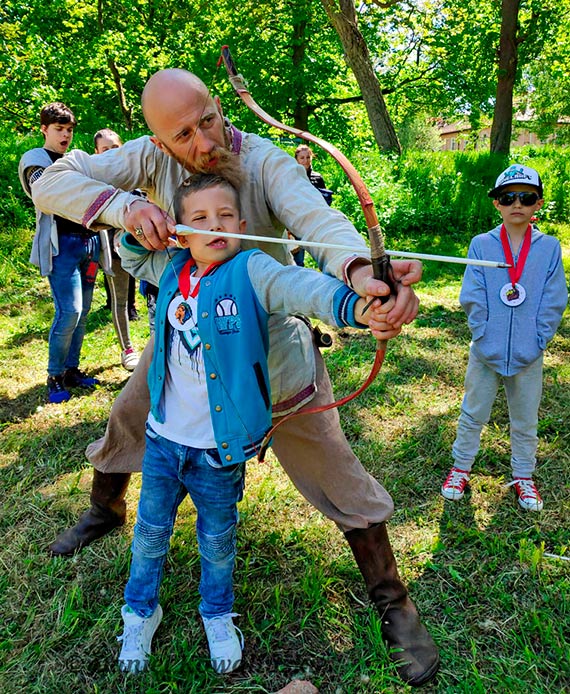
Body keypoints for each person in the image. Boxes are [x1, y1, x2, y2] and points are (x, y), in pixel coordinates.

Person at [33, 68, 438, 686]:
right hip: (188, 342)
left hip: (270, 354)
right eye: (184, 135)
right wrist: (126, 206)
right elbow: (51, 183)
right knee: (128, 415)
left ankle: (392, 600)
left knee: (333, 466)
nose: (203, 141)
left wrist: (359, 275)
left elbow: (319, 221)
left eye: (208, 119)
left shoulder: (267, 161)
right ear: (161, 144)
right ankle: (106, 509)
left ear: (219, 105)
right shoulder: (147, 158)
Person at [117, 172, 387, 675]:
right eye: (198, 218)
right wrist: (138, 224)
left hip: (219, 450)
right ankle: (139, 610)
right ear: (179, 231)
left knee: (217, 539)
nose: (214, 225)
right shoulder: (171, 266)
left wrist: (354, 304)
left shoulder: (253, 270)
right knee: (150, 531)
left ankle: (216, 613)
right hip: (162, 441)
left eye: (225, 216)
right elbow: (130, 253)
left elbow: (300, 287)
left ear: (242, 225)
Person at [441, 164, 568, 511]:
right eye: (507, 197)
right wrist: (483, 335)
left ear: (538, 204)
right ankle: (460, 468)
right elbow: (472, 294)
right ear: (496, 203)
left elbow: (555, 299)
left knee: (525, 419)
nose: (517, 204)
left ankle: (524, 476)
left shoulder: (549, 248)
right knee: (473, 412)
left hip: (530, 353)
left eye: (525, 198)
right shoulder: (481, 245)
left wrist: (538, 340)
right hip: (486, 350)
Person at [18, 102, 102, 404]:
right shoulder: (35, 161)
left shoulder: (73, 160)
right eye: (59, 129)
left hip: (90, 242)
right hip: (61, 245)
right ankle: (53, 376)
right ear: (44, 129)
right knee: (69, 312)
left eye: (69, 129)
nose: (65, 135)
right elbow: (48, 198)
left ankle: (71, 371)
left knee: (83, 314)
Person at [93, 128, 140, 371]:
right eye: (105, 149)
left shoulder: (134, 174)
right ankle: (128, 349)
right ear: (96, 152)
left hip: (143, 247)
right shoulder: (93, 179)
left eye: (115, 148)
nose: (111, 153)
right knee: (120, 299)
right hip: (112, 249)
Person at [291, 144, 334, 266]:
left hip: (316, 222)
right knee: (297, 259)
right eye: (302, 158)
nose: (305, 161)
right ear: (296, 159)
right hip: (297, 222)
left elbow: (325, 201)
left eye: (308, 157)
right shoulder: (292, 177)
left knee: (323, 256)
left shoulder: (318, 177)